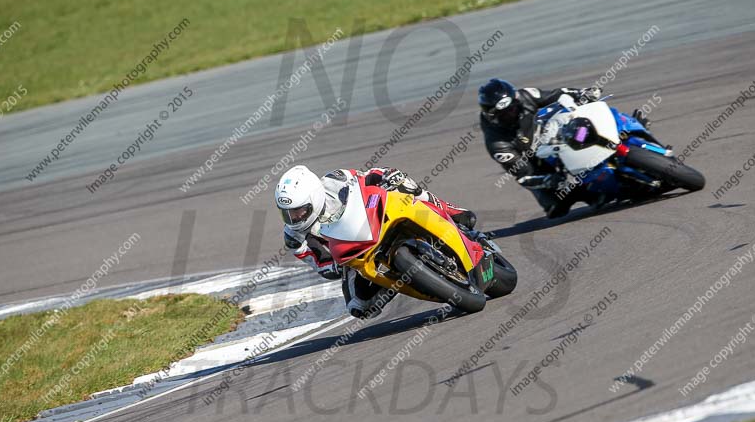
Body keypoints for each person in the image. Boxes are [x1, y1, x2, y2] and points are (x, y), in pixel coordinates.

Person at [275, 165, 476, 319]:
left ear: (315, 197)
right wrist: (336, 264)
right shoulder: (294, 237)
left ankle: (450, 210)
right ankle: (395, 281)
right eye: (287, 214)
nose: (294, 218)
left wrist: (388, 176)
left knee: (407, 186)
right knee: (360, 308)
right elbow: (320, 265)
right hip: (353, 253)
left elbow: (367, 176)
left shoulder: (336, 180)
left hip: (372, 219)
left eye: (298, 211)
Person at [478, 78, 651, 218]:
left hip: (556, 135)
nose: (512, 114)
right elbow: (524, 175)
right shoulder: (497, 144)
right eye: (505, 114)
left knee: (592, 112)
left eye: (513, 108)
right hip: (543, 165)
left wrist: (582, 93)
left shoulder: (525, 95)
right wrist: (548, 180)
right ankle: (599, 192)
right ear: (492, 116)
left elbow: (558, 94)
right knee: (556, 206)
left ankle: (630, 126)